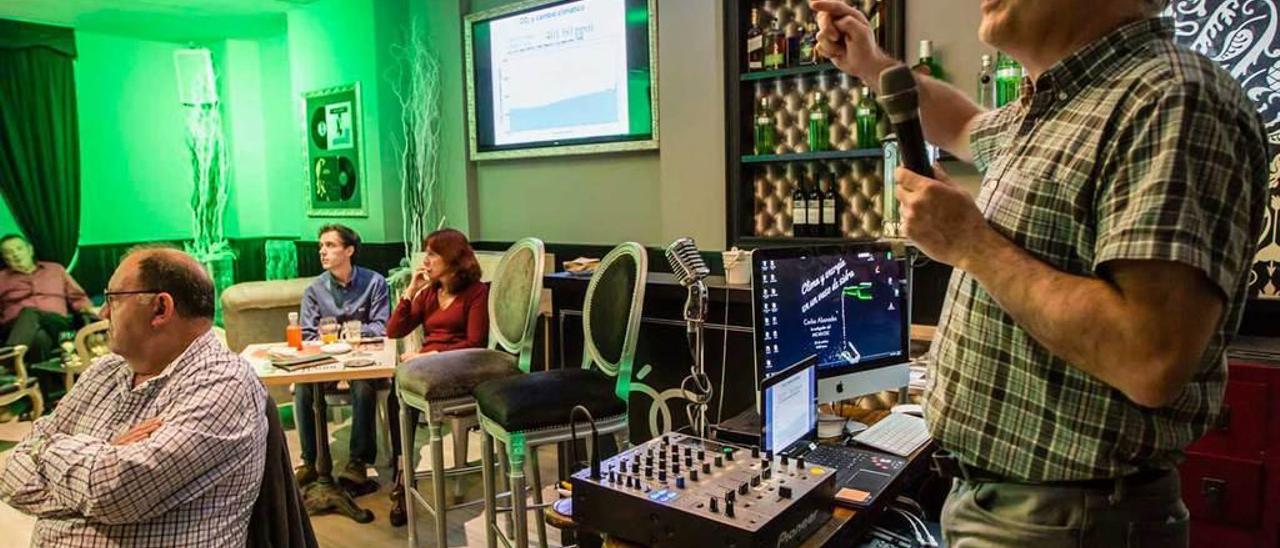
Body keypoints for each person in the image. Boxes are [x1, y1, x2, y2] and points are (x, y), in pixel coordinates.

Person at [813, 0, 1267, 545]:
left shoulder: (1171, 98)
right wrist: (870, 63)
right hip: (1007, 505)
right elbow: (961, 123)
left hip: (1067, 518)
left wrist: (971, 244)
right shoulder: (1061, 103)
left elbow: (1150, 355)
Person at [0, 247, 268, 545]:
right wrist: (102, 456)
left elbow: (112, 493)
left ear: (160, 309)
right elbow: (9, 477)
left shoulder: (223, 382)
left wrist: (47, 449)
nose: (102, 312)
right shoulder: (105, 371)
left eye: (112, 299)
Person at [384, 228, 490, 526]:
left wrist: (430, 356)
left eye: (432, 253)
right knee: (397, 393)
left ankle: (404, 477)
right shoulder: (430, 293)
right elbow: (394, 331)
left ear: (453, 259)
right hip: (427, 369)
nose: (426, 260)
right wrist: (410, 292)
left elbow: (475, 342)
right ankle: (402, 473)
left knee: (403, 386)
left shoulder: (476, 293)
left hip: (461, 367)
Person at [294, 224, 390, 492]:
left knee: (364, 383)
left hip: (364, 360)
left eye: (330, 245)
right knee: (303, 386)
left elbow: (381, 326)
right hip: (328, 361)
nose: (322, 251)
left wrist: (338, 332)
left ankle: (357, 462)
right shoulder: (314, 290)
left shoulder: (375, 283)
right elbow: (311, 335)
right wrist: (352, 332)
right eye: (321, 246)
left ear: (349, 250)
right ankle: (310, 462)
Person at [0, 234, 96, 364]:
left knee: (31, 312)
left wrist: (90, 310)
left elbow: (78, 297)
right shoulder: (2, 278)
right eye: (9, 253)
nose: (16, 255)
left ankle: (8, 359)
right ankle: (46, 383)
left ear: (30, 250)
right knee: (40, 338)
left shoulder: (56, 270)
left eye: (19, 249)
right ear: (4, 258)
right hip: (14, 327)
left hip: (57, 324)